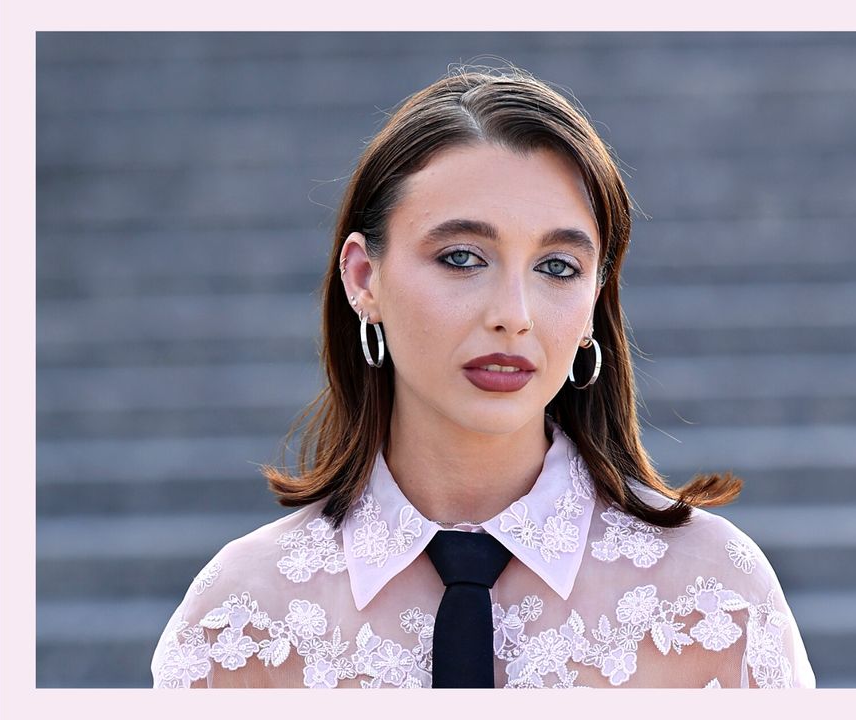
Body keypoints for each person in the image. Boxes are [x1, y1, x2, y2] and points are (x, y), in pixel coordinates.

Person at [150, 64, 816, 689]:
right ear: (364, 278)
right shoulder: (240, 619)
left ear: (594, 300)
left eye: (557, 267)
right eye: (463, 257)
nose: (512, 316)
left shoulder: (717, 601)